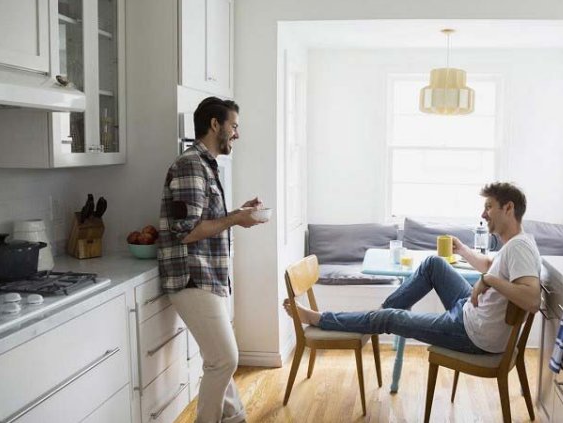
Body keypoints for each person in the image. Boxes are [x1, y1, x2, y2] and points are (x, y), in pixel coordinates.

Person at [284, 182, 541, 355]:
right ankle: (378, 318)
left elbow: (532, 299)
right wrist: (462, 250)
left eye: (489, 207)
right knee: (433, 264)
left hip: (473, 334)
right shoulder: (516, 244)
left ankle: (325, 319)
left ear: (508, 208)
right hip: (472, 313)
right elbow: (490, 265)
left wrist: (489, 281)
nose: (483, 214)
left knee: (388, 319)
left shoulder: (519, 248)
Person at [158, 96, 263, 423]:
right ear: (215, 124)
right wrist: (235, 218)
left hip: (208, 275)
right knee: (224, 360)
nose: (237, 134)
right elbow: (185, 231)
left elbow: (204, 219)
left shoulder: (206, 165)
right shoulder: (191, 164)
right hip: (192, 276)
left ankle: (236, 419)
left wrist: (237, 213)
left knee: (219, 358)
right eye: (233, 125)